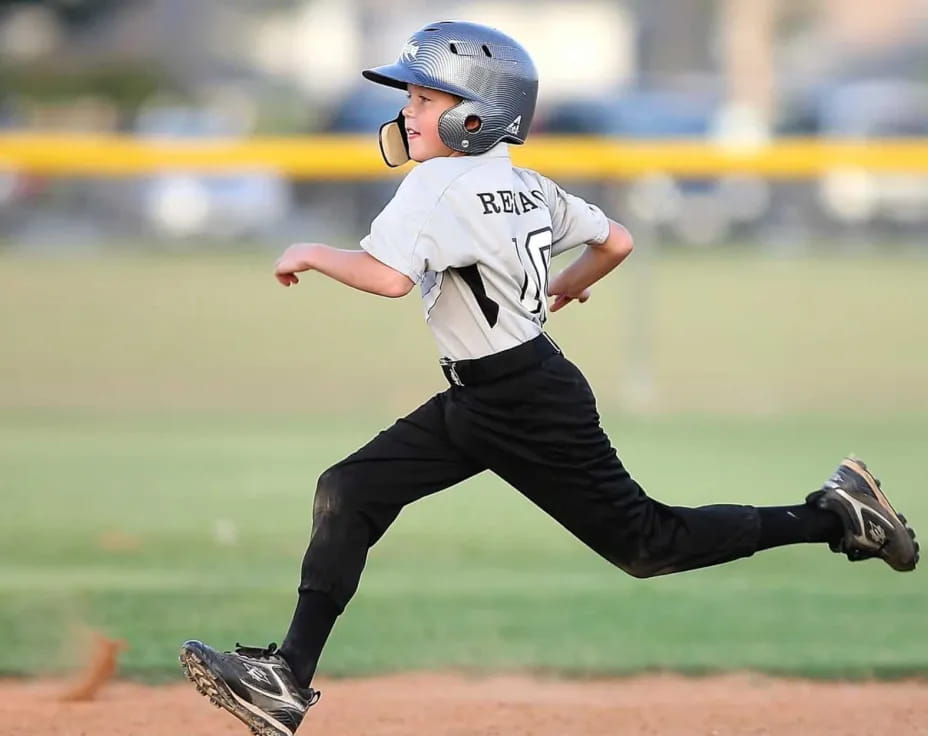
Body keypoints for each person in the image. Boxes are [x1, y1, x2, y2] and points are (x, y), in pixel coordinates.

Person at [178, 21, 919, 736]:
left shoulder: (435, 188)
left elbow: (388, 279)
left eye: (424, 99)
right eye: (409, 95)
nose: (407, 109)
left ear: (475, 116)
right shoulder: (522, 181)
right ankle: (286, 678)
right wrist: (564, 285)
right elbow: (616, 240)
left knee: (648, 544)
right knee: (351, 489)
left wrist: (310, 249)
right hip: (496, 390)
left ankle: (836, 515)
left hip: (524, 403)